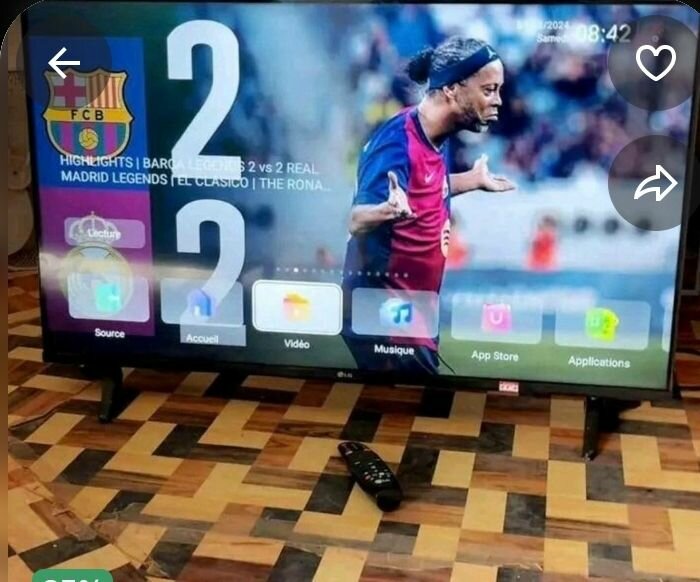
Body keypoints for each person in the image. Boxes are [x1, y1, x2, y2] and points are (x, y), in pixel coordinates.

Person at [342, 36, 516, 375]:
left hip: (411, 315)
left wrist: (469, 180)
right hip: (386, 317)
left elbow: (426, 187)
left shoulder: (436, 134)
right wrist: (386, 210)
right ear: (452, 89)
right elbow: (356, 219)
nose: (498, 101)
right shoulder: (397, 142)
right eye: (489, 90)